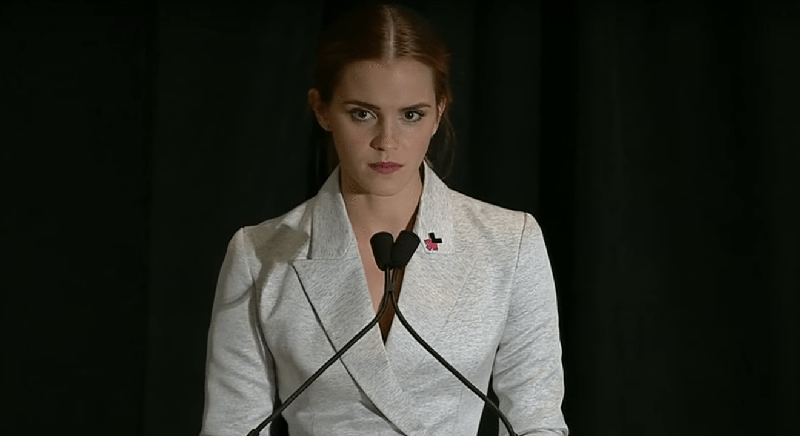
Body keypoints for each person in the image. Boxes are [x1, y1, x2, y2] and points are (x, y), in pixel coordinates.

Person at [200, 3, 567, 436]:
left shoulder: (509, 242)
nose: (387, 141)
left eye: (411, 115)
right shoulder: (259, 255)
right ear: (322, 110)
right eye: (363, 113)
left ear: (439, 112)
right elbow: (232, 426)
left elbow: (536, 422)